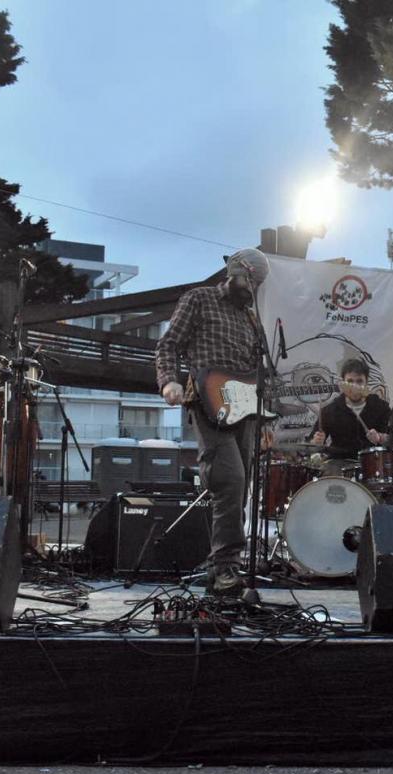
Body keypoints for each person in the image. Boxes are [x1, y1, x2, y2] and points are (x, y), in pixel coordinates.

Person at [156, 247, 270, 598]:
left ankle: (221, 568)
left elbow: (257, 370)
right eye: (250, 281)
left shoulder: (251, 318)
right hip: (207, 403)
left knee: (241, 487)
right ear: (234, 272)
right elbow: (168, 344)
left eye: (258, 285)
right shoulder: (199, 299)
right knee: (229, 480)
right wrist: (169, 381)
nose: (252, 289)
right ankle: (224, 568)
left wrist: (265, 419)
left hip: (244, 409)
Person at [309, 358, 393, 459]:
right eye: (350, 381)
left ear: (366, 382)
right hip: (339, 463)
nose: (354, 386)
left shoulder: (381, 407)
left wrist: (380, 437)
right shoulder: (329, 411)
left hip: (372, 463)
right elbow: (310, 445)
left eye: (359, 381)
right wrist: (316, 442)